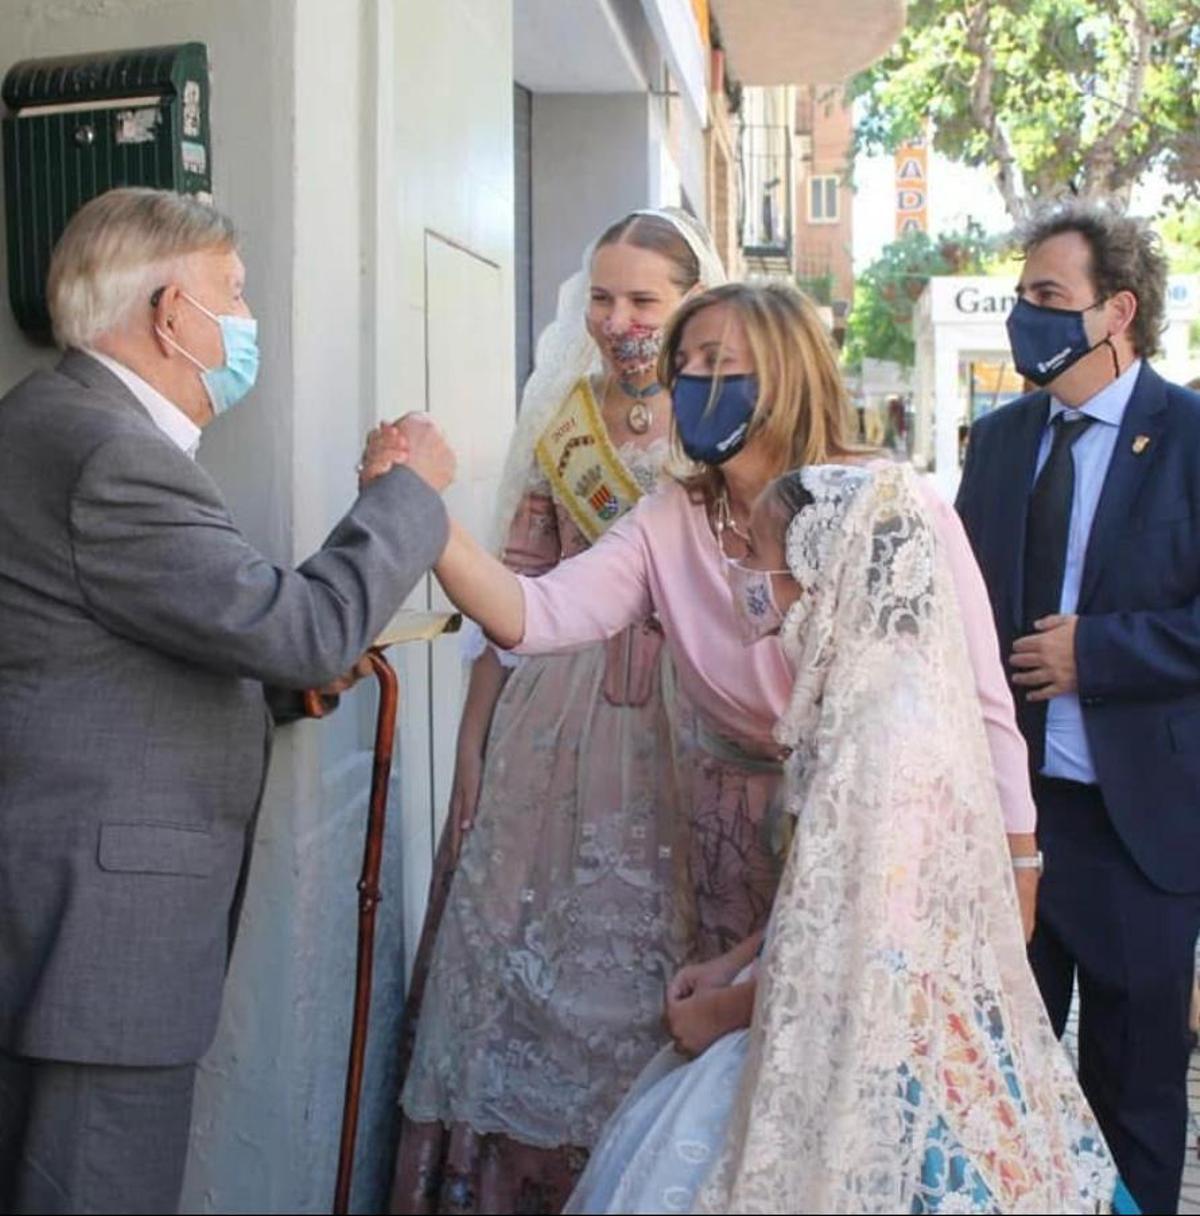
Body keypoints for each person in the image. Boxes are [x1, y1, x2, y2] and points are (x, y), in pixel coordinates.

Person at [0, 188, 453, 1216]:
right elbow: (303, 626)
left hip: (69, 932)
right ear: (170, 315)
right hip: (97, 954)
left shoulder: (56, 422)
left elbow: (103, 654)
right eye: (233, 297)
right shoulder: (108, 451)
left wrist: (282, 688)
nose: (246, 324)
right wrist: (408, 492)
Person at [405, 281, 1042, 967]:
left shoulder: (887, 506)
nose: (696, 384)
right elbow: (535, 615)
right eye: (686, 368)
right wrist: (420, 515)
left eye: (721, 363)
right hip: (729, 839)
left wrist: (1019, 862)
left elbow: (979, 700)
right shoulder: (672, 515)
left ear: (787, 373)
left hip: (873, 842)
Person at [566, 463, 1135, 1216]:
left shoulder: (883, 732)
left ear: (822, 574)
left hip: (879, 1051)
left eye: (761, 560)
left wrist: (723, 1012)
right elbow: (827, 893)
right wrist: (737, 963)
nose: (745, 579)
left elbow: (866, 960)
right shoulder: (867, 696)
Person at [387, 208, 726, 1215]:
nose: (620, 321)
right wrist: (473, 754)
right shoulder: (565, 420)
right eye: (603, 300)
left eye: (644, 301)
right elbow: (517, 589)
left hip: (688, 719)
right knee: (523, 955)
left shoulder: (721, 412)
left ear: (687, 304)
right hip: (557, 713)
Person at [955, 201, 1200, 1216]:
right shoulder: (1003, 440)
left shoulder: (1189, 437)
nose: (1027, 318)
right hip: (1012, 828)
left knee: (1133, 1097)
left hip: (1140, 831)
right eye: (1021, 298)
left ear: (1118, 313)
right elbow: (961, 608)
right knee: (988, 1087)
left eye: (1049, 298)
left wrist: (1098, 651)